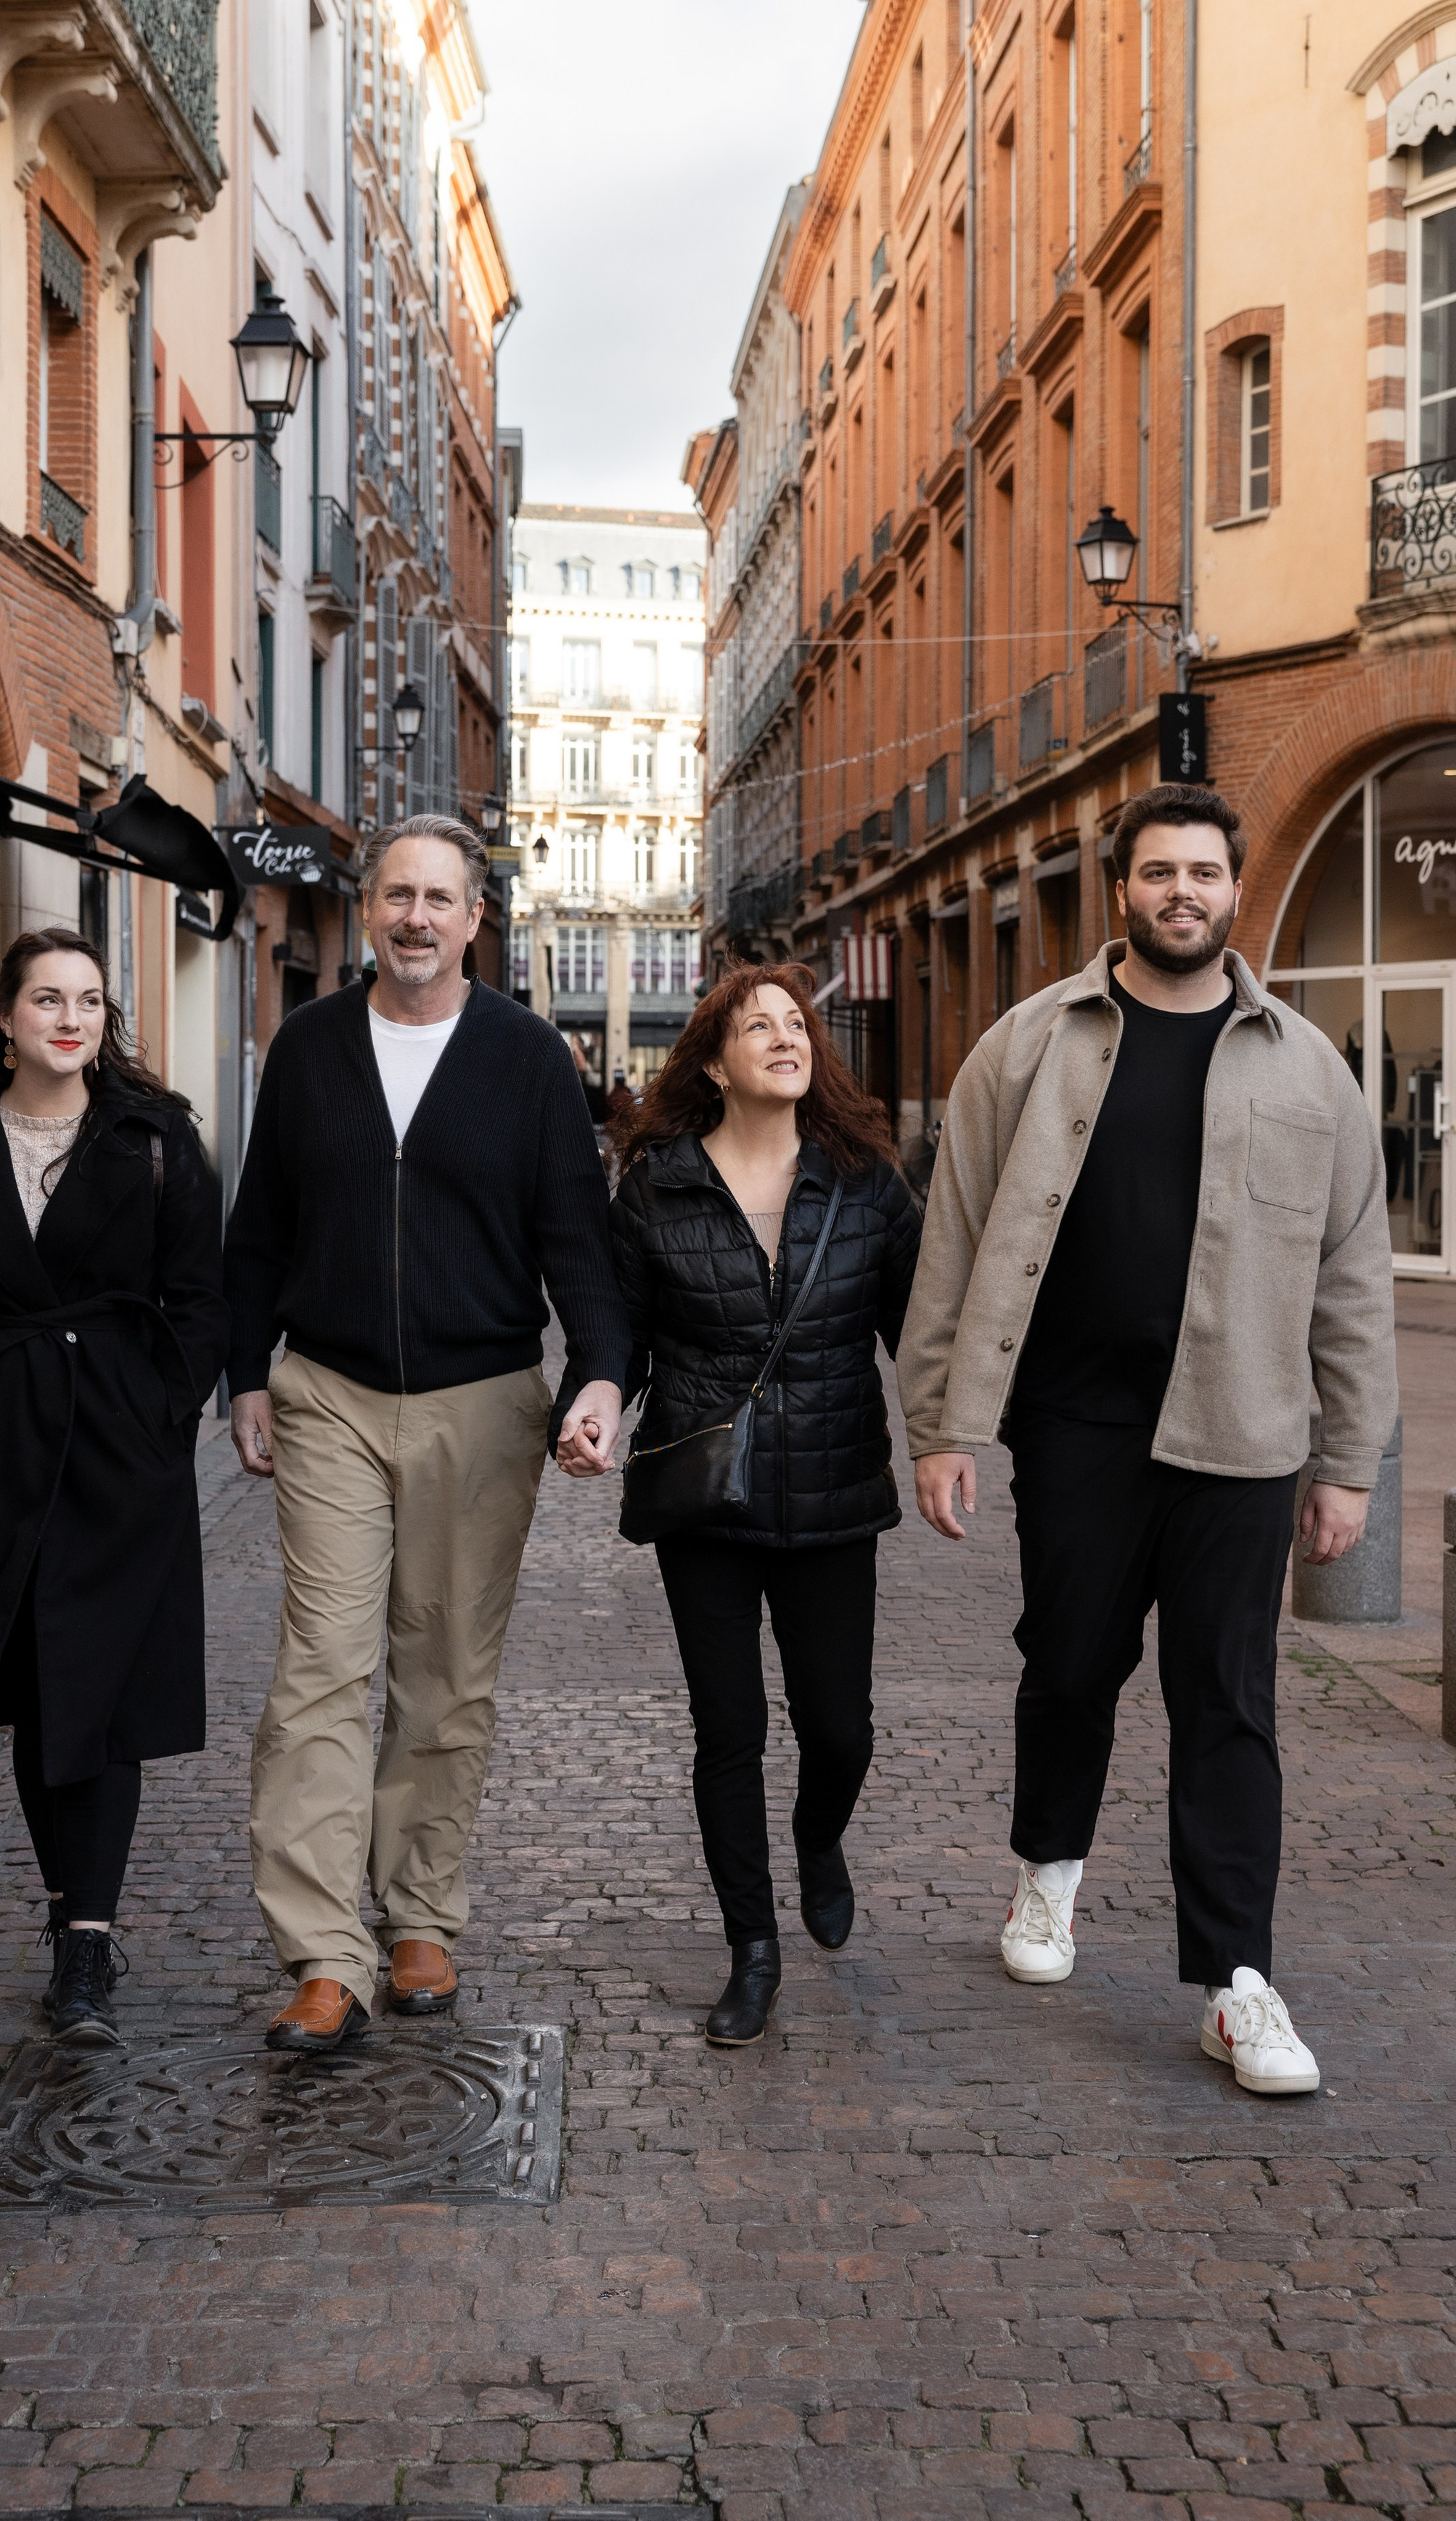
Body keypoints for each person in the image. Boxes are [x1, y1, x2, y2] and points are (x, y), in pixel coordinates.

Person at [899, 783, 1396, 2096]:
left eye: (1206, 873)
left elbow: (1353, 1278)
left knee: (1228, 1701)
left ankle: (1237, 1983)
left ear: (1236, 890)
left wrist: (1348, 1462)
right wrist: (942, 1427)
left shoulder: (1309, 1066)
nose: (1185, 892)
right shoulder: (1026, 1044)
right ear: (1121, 889)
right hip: (1076, 1427)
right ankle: (1047, 1875)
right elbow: (951, 1245)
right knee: (1069, 1666)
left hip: (1242, 1436)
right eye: (1160, 872)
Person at [224, 815, 631, 2053]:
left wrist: (602, 1374)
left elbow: (579, 1236)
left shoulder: (525, 1060)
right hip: (332, 1393)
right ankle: (321, 1954)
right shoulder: (307, 1048)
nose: (413, 917)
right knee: (321, 1674)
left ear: (472, 920)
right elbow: (260, 1228)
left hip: (482, 1400)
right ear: (371, 906)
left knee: (446, 1672)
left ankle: (419, 1916)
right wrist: (246, 1374)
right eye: (396, 893)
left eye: (437, 899)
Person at [0, 926, 226, 2047]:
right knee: (37, 1689)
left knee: (104, 1692)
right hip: (1, 1446)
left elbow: (201, 1299)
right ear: (9, 1018)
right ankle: (66, 1911)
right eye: (47, 1001)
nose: (71, 1019)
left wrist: (162, 1412)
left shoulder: (155, 1135)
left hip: (124, 1452)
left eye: (88, 1001)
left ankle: (88, 1942)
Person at [585, 964, 920, 2048]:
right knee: (727, 1732)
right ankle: (753, 1949)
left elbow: (927, 1329)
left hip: (832, 1491)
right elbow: (619, 1338)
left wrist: (964, 1430)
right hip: (706, 1500)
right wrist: (590, 1400)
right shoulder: (659, 1187)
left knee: (843, 1733)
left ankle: (818, 1840)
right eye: (756, 1026)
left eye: (796, 1023)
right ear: (717, 1063)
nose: (784, 1037)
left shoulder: (866, 1181)